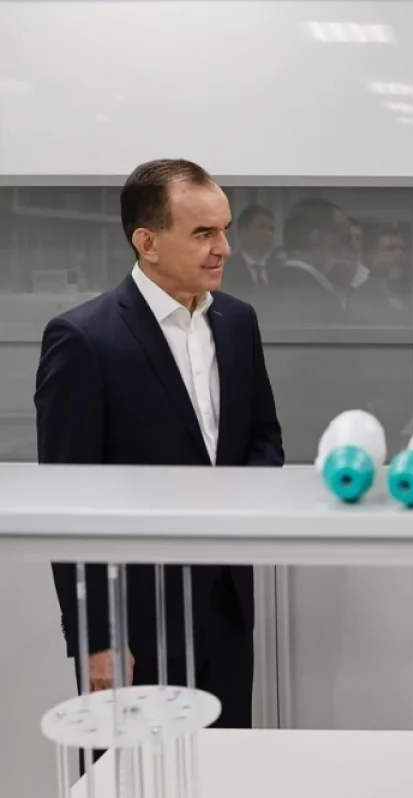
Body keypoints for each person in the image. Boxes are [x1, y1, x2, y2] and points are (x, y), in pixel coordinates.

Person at [35, 158, 285, 730]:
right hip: (133, 623)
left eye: (224, 229)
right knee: (130, 771)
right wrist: (97, 638)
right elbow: (66, 500)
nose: (224, 248)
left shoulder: (238, 322)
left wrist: (238, 504)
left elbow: (263, 437)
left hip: (226, 606)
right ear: (146, 242)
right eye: (203, 233)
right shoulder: (84, 339)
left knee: (223, 764)